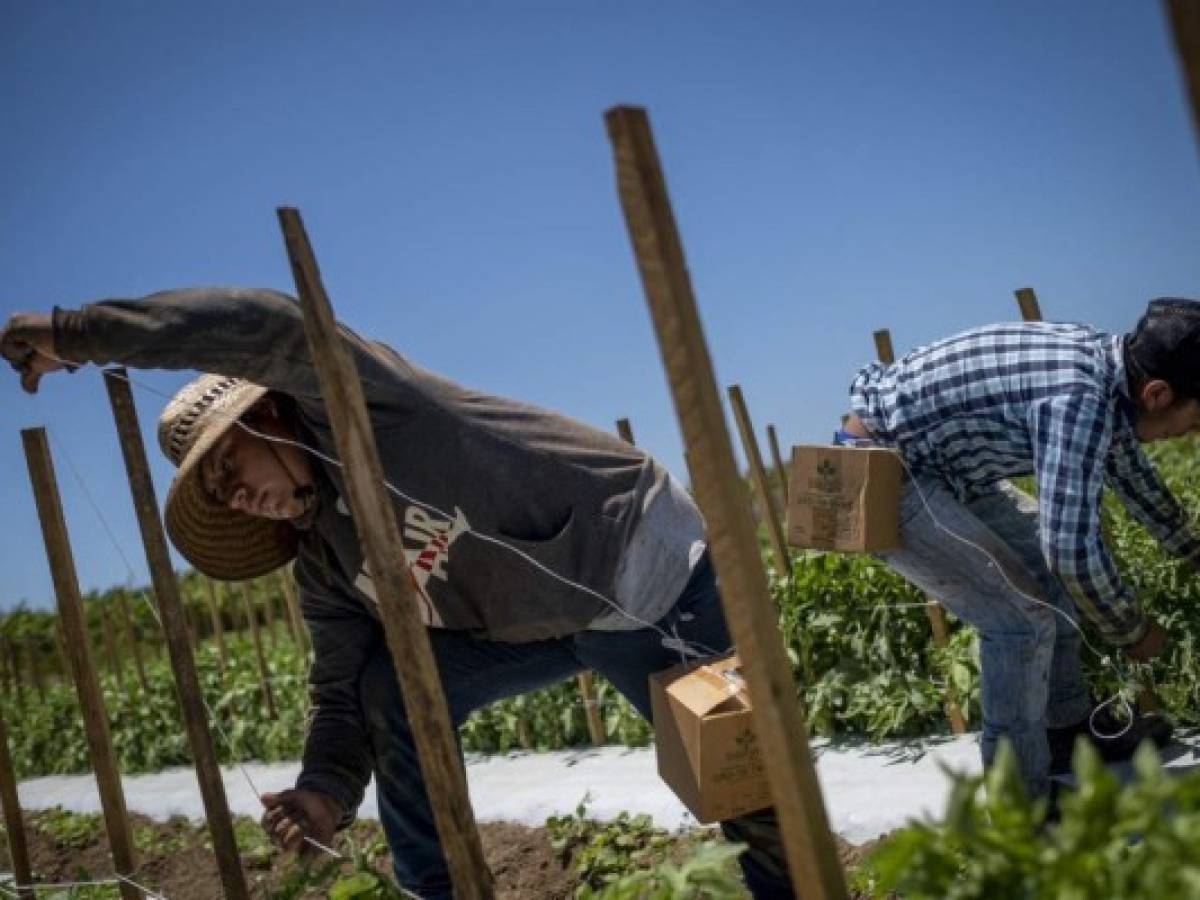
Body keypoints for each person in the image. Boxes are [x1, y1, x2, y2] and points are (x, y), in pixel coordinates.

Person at [0, 287, 793, 898]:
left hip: (634, 568)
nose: (237, 497)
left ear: (273, 413)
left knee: (738, 776)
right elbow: (340, 689)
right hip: (530, 624)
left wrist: (79, 334)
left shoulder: (369, 406)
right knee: (394, 686)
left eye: (229, 468)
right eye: (220, 496)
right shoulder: (323, 559)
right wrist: (324, 790)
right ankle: (438, 889)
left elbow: (269, 323)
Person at [836, 298, 1198, 800]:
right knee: (1019, 619)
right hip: (883, 474)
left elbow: (1130, 473)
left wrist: (1190, 548)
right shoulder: (1078, 397)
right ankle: (1017, 804)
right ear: (1158, 394)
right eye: (1196, 418)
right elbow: (1070, 550)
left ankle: (1066, 734)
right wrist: (1132, 631)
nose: (1193, 433)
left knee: (1046, 583)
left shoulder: (1109, 373)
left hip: (949, 469)